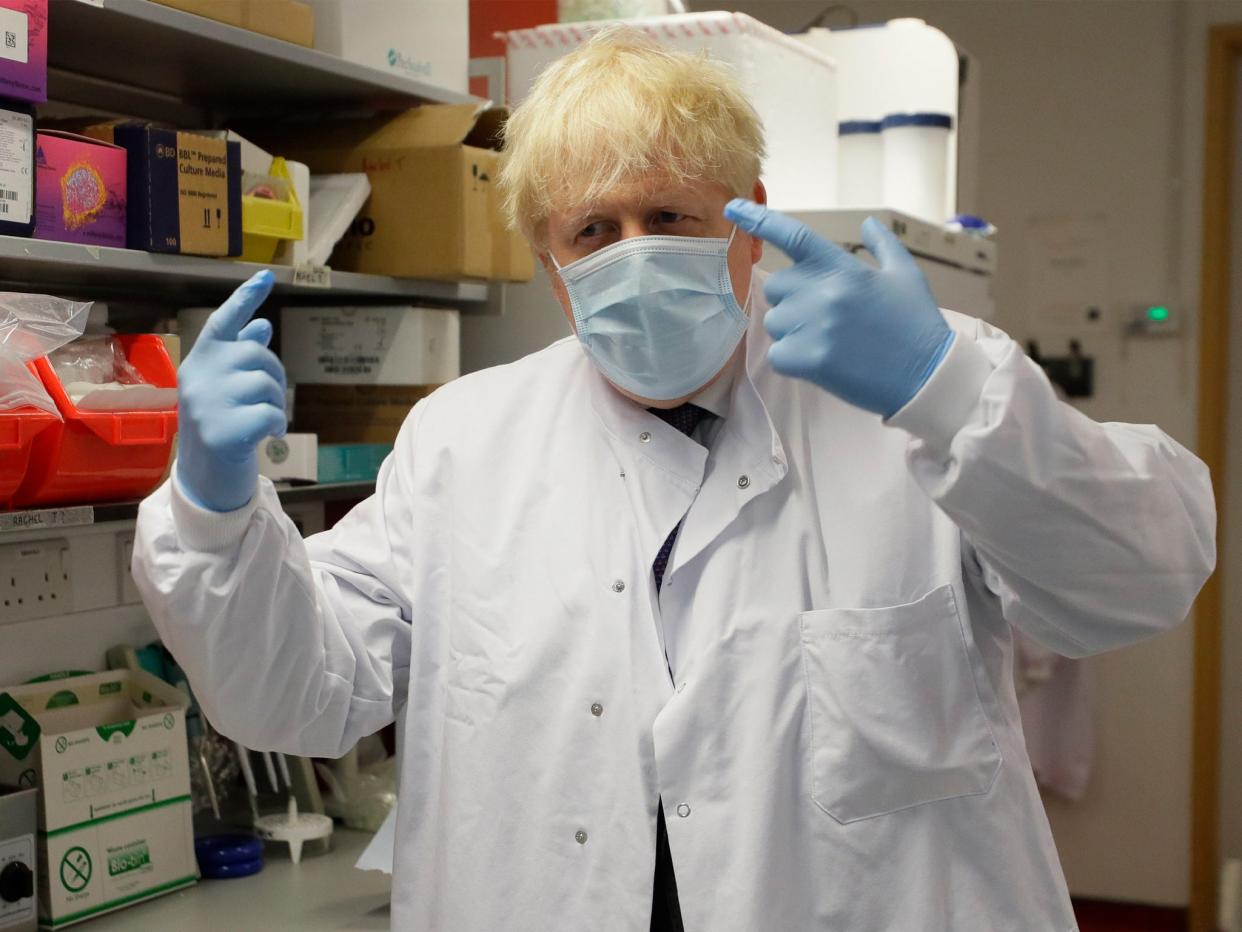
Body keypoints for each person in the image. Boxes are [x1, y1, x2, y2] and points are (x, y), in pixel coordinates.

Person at [133, 28, 1215, 932]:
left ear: (749, 222)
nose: (636, 254)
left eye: (673, 217)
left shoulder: (907, 396)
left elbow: (1141, 576)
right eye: (595, 230)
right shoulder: (462, 442)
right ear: (553, 269)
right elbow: (298, 691)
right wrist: (216, 505)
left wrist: (942, 388)